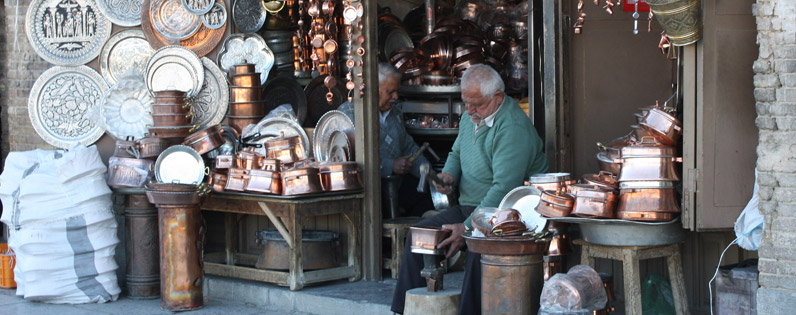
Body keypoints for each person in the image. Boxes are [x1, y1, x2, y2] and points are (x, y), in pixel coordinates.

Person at [390, 64, 548, 314]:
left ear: (498, 97)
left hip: (507, 214)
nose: (470, 110)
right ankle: (405, 310)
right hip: (470, 207)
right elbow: (456, 151)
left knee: (478, 249)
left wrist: (467, 228)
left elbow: (503, 189)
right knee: (419, 236)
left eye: (477, 104)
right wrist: (449, 176)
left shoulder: (512, 128)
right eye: (466, 103)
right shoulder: (470, 115)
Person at [338, 63, 434, 217]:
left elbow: (408, 147)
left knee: (429, 198)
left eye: (397, 91)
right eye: (391, 92)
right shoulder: (350, 113)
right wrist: (390, 165)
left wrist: (429, 175)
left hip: (396, 186)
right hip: (367, 190)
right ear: (373, 89)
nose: (395, 97)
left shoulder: (394, 112)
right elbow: (349, 157)